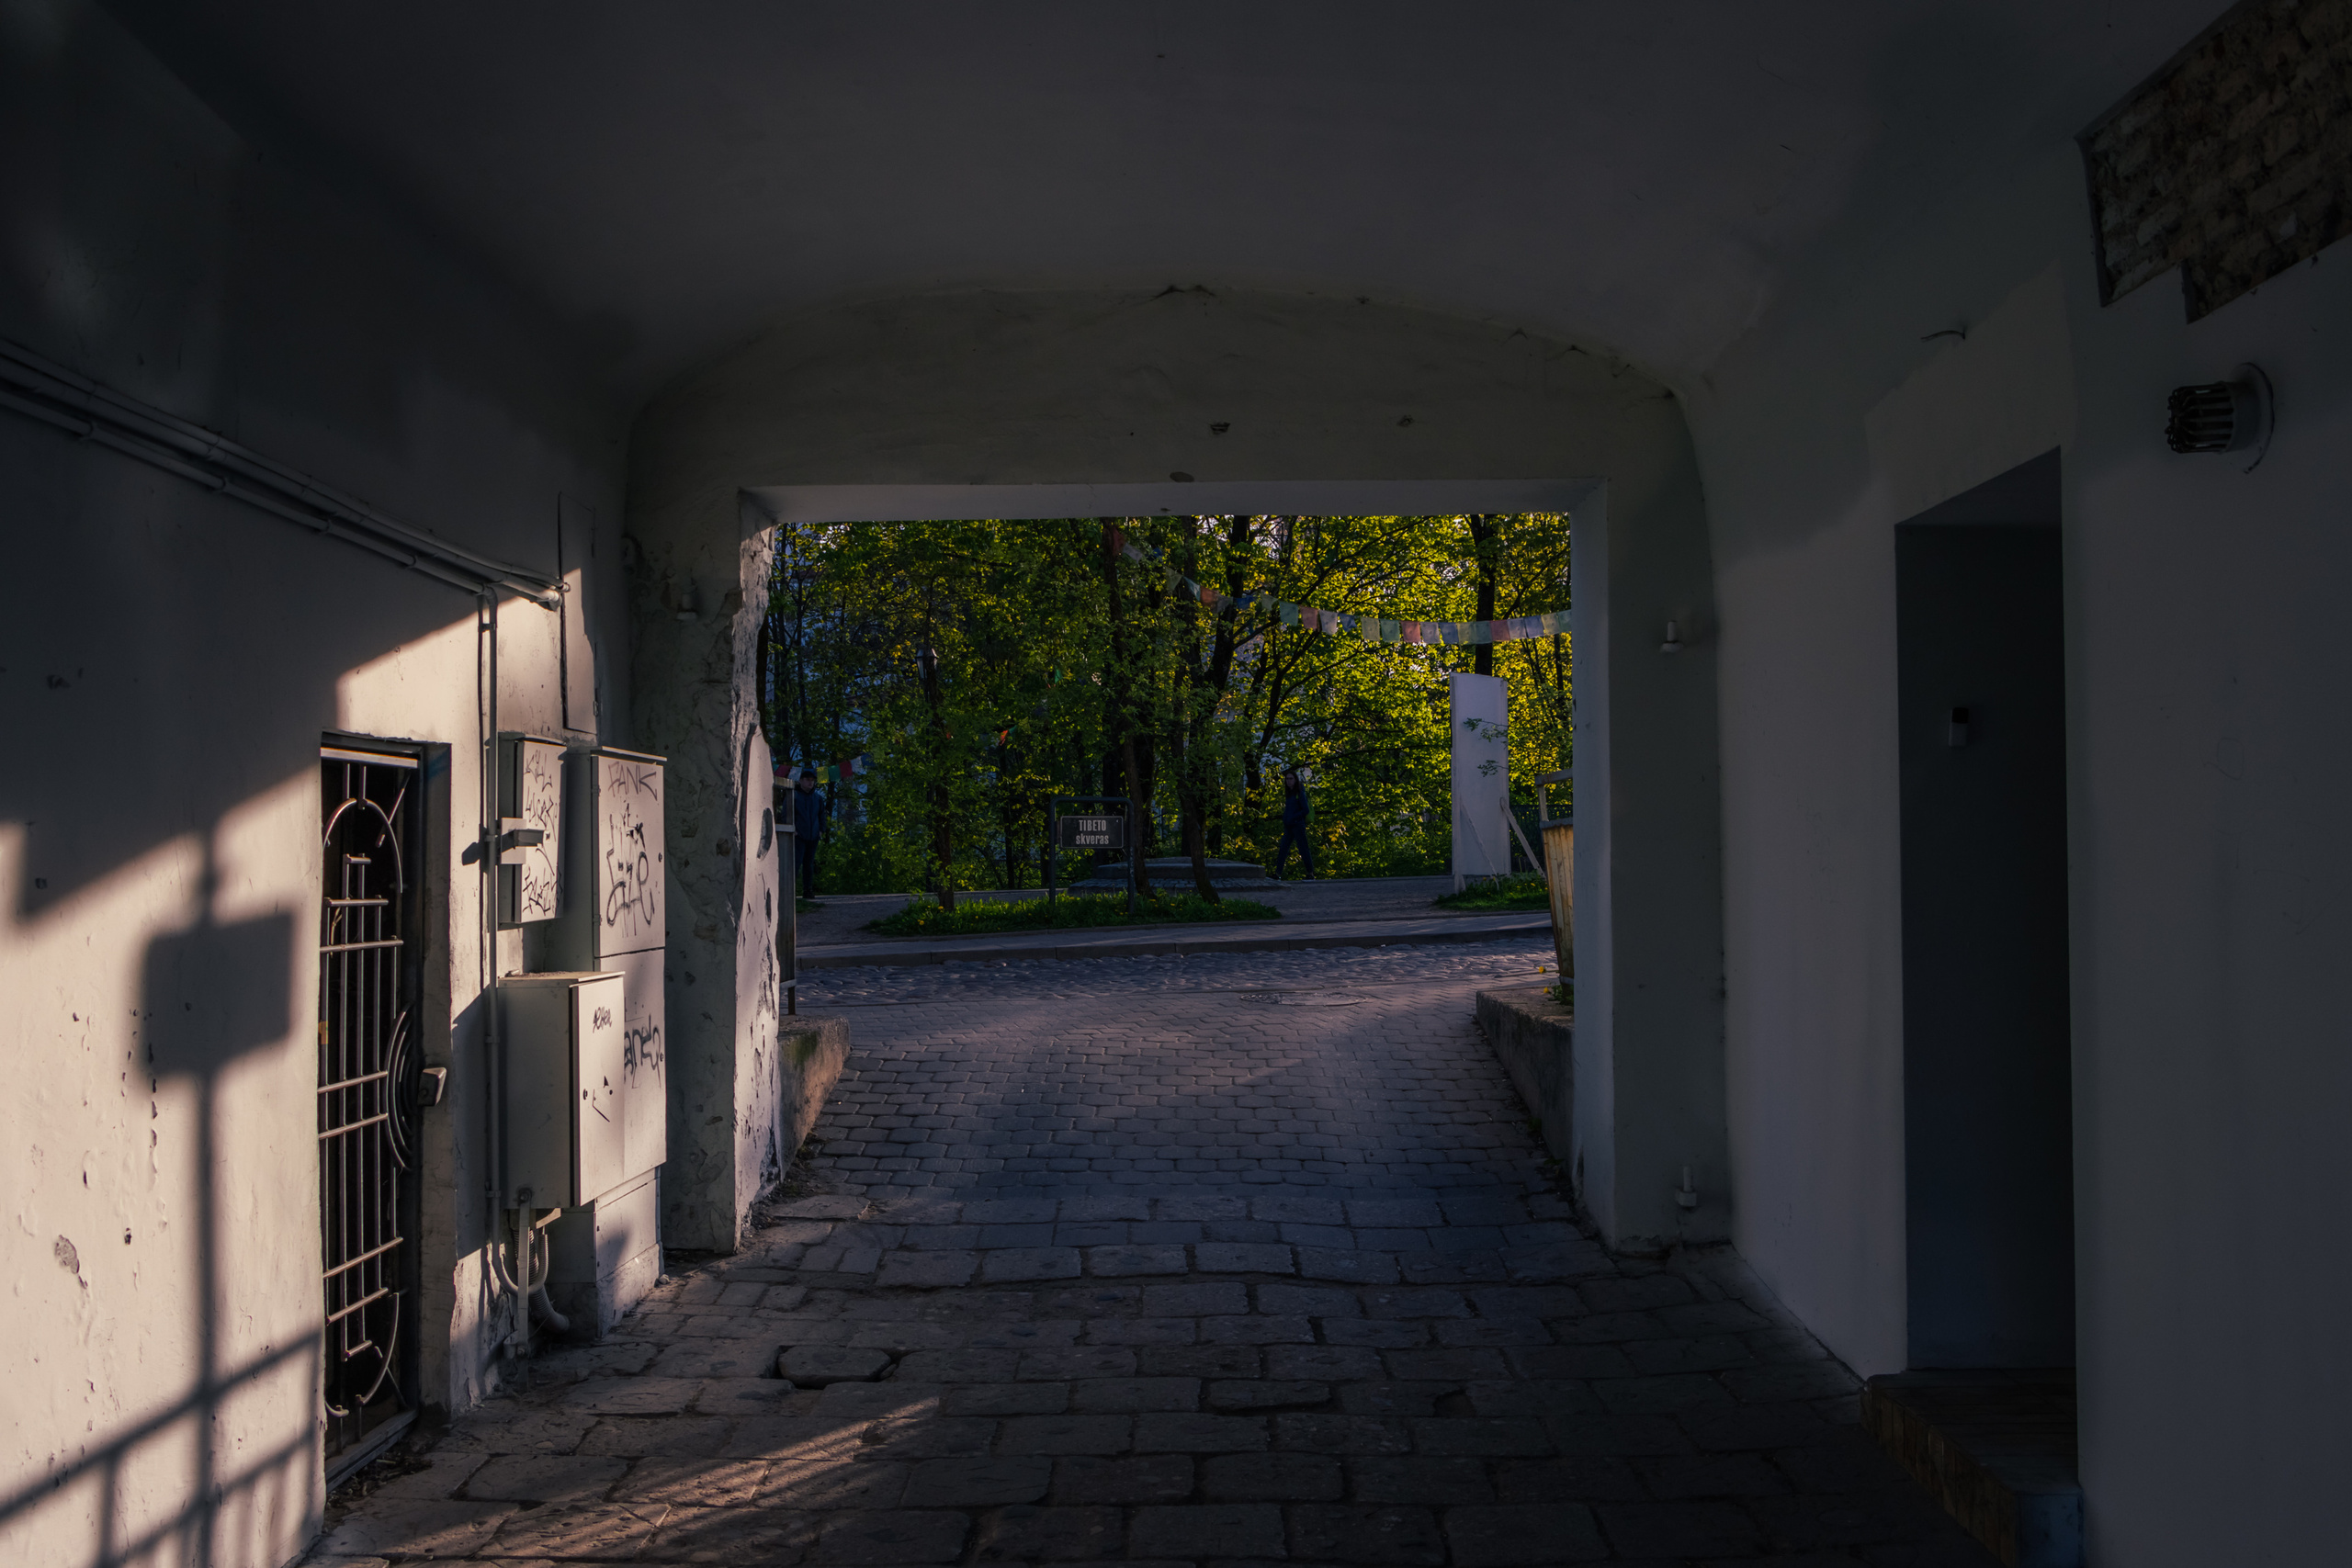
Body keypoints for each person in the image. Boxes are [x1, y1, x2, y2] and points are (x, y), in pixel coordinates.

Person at [1273, 769, 1315, 882]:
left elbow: (1305, 810)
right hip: (1289, 825)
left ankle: (1310, 873)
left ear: (1295, 780)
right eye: (1287, 779)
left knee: (1303, 848)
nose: (1289, 781)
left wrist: (1293, 817)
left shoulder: (1299, 792)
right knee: (1283, 848)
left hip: (1297, 825)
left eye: (1291, 779)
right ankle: (1278, 874)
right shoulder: (1289, 793)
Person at [792, 766, 827, 898]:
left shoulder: (817, 798)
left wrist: (821, 831)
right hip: (799, 836)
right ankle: (791, 891)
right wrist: (793, 830)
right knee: (796, 864)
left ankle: (808, 890)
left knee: (809, 864)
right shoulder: (794, 796)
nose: (810, 782)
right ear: (800, 780)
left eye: (812, 780)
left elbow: (822, 815)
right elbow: (787, 813)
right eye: (807, 779)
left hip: (813, 836)